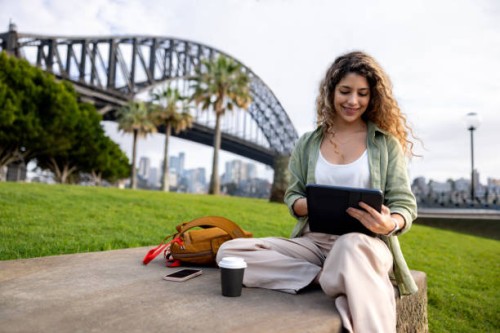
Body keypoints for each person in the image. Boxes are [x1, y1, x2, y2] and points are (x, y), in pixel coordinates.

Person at [216, 51, 418, 333]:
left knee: (350, 246)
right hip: (314, 244)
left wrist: (391, 222)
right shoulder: (308, 144)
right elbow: (293, 196)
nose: (353, 101)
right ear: (331, 91)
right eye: (345, 91)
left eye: (362, 93)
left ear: (372, 97)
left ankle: (343, 273)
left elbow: (405, 205)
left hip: (365, 245)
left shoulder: (385, 145)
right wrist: (311, 206)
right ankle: (327, 277)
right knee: (231, 251)